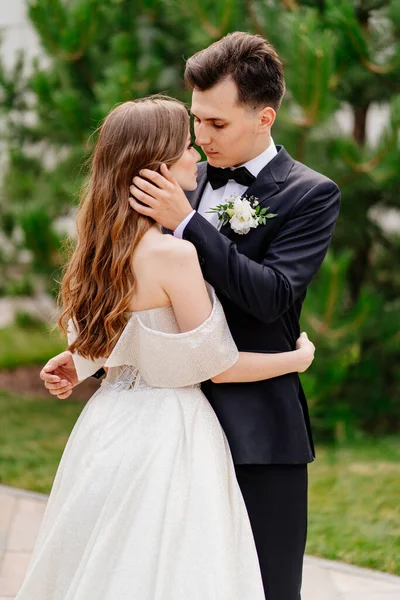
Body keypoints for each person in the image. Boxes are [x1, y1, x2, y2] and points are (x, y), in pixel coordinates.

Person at [20, 96, 315, 600]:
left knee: (105, 562)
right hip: (172, 432)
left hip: (105, 428)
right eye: (185, 146)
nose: (197, 154)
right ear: (157, 165)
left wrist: (80, 361)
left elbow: (116, 341)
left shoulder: (94, 249)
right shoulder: (175, 255)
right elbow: (215, 366)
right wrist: (297, 358)